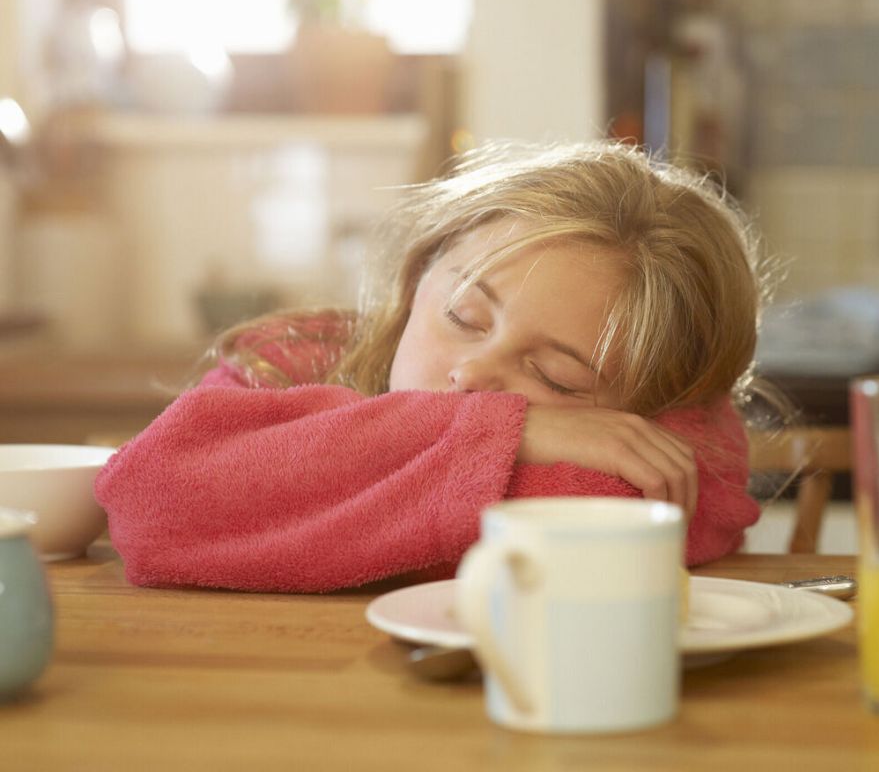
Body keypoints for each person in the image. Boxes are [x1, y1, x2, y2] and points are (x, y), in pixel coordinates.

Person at [95, 141, 768, 593]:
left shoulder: (678, 442)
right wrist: (511, 432)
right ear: (418, 276)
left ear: (647, 408)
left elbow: (644, 508)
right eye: (465, 318)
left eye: (557, 379)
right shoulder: (288, 361)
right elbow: (152, 501)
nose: (474, 375)